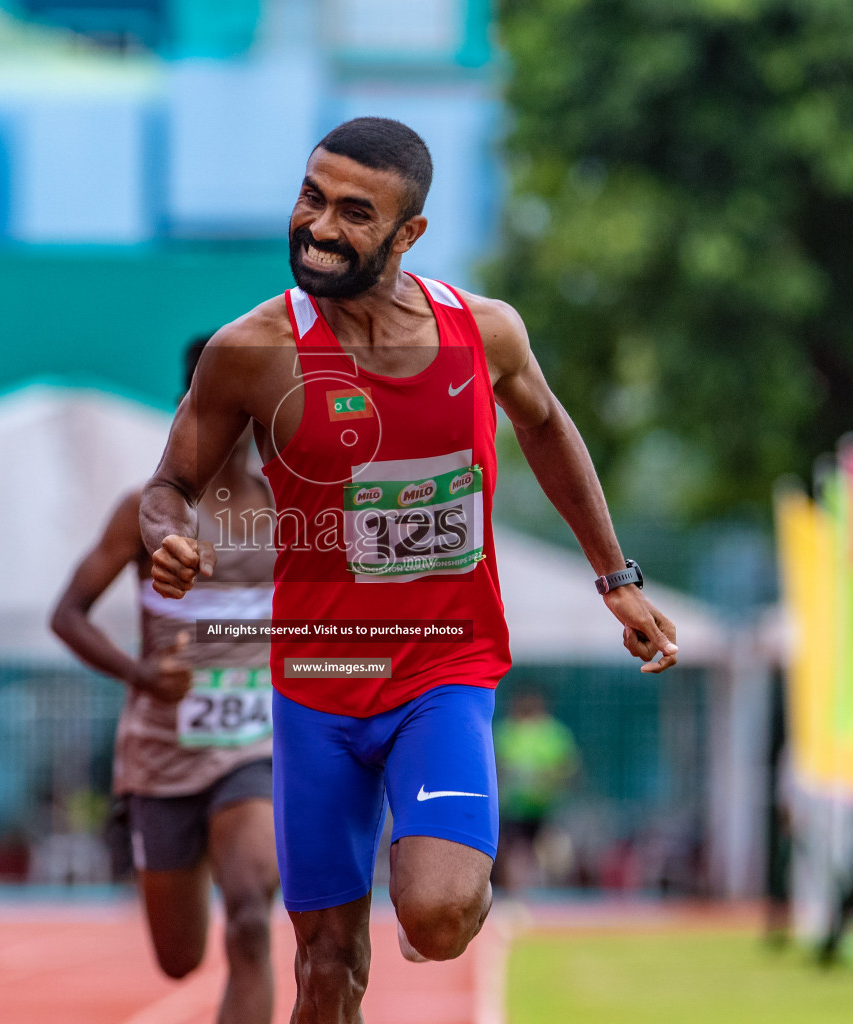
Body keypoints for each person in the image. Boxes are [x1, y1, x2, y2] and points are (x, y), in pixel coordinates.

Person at [141, 115, 679, 1023]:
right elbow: (169, 483)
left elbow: (546, 426)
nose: (319, 226)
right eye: (312, 197)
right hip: (318, 686)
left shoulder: (485, 333)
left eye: (355, 213)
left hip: (443, 670)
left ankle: (448, 883)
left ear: (408, 234)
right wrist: (169, 535)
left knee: (433, 914)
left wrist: (614, 575)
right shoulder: (253, 351)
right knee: (323, 966)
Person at [51, 337, 280, 1024]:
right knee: (177, 958)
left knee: (248, 915)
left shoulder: (285, 510)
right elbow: (68, 615)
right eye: (219, 402)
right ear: (192, 407)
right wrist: (143, 675)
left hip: (255, 746)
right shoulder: (144, 514)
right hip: (161, 753)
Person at [494, 687, 579, 890]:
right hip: (514, 808)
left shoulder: (554, 734)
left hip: (546, 807)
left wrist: (547, 780)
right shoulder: (506, 732)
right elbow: (496, 768)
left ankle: (551, 895)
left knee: (553, 856)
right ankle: (517, 894)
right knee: (515, 856)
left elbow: (568, 771)